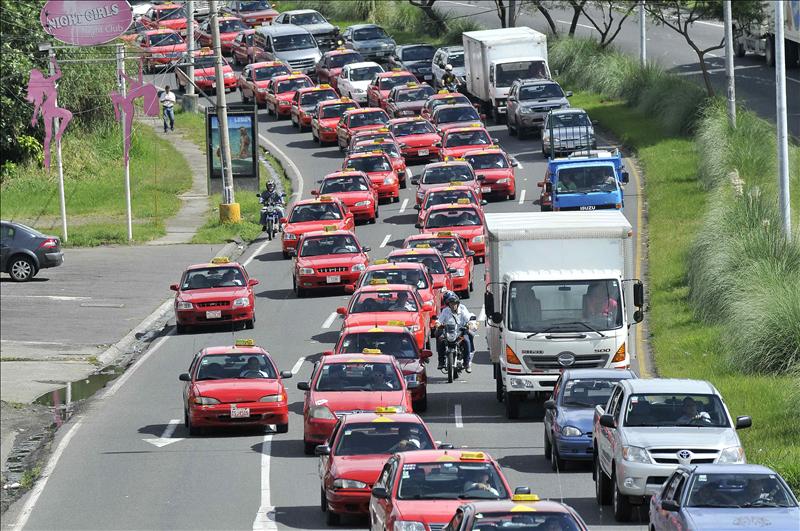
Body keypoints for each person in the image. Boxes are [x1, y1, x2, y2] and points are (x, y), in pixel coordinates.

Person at [435, 291, 476, 372]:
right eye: (451, 303)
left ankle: (466, 363)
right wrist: (438, 324)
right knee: (440, 339)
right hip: (448, 333)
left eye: (454, 303)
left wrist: (469, 324)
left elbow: (468, 318)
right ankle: (441, 361)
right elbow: (439, 320)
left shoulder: (462, 309)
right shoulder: (445, 311)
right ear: (448, 304)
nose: (453, 305)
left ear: (457, 303)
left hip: (460, 333)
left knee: (467, 341)